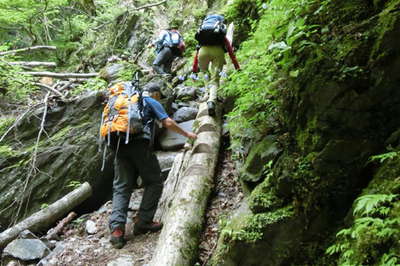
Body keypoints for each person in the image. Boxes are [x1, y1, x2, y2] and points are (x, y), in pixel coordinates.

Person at [108, 83, 197, 249]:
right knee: (154, 181)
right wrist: (187, 134)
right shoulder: (148, 99)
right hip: (139, 145)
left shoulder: (121, 103)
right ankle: (144, 222)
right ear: (155, 93)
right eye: (160, 96)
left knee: (121, 187)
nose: (160, 99)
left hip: (118, 145)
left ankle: (117, 231)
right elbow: (168, 122)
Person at [192, 14, 240, 116]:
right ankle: (211, 101)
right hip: (218, 52)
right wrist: (237, 67)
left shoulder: (203, 34)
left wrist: (194, 69)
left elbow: (197, 53)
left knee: (205, 73)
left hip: (202, 52)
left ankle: (206, 94)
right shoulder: (220, 33)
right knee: (215, 78)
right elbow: (231, 52)